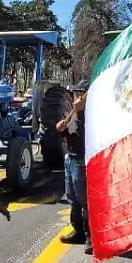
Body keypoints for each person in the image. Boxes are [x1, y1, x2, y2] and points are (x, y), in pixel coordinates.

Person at [57, 81, 91, 254]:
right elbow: (67, 131)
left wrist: (82, 112)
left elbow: (84, 133)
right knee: (72, 198)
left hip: (81, 160)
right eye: (74, 93)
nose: (74, 96)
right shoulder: (73, 112)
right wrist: (61, 128)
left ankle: (90, 237)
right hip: (69, 159)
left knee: (84, 200)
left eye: (78, 93)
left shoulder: (90, 114)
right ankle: (78, 230)